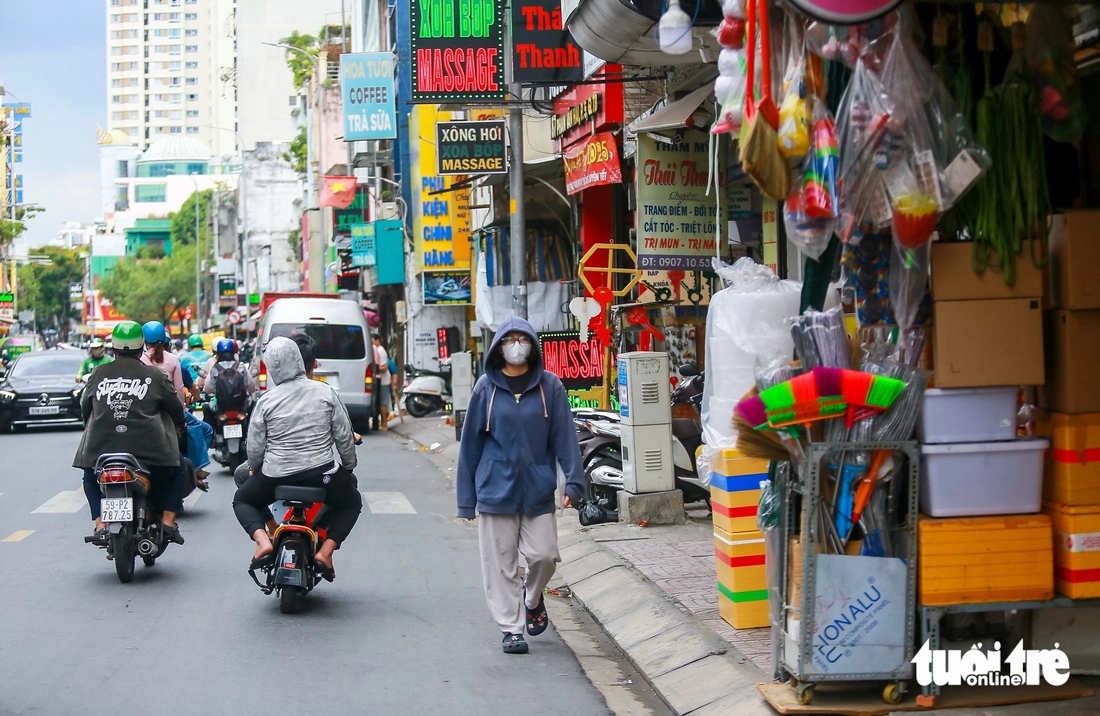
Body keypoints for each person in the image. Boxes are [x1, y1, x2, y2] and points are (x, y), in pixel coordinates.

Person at [456, 316, 585, 655]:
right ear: (499, 346)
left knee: (545, 555)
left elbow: (565, 438)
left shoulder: (550, 386)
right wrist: (466, 500)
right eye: (509, 339)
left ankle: (532, 597)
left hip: (538, 488)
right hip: (494, 489)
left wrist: (573, 481)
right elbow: (470, 444)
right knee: (500, 563)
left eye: (522, 338)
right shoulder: (486, 386)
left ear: (532, 344)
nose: (516, 344)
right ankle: (511, 629)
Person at [232, 337, 362, 578]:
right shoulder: (325, 392)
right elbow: (344, 436)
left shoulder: (266, 400)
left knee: (242, 500)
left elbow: (255, 446)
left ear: (271, 367)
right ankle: (326, 551)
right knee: (351, 502)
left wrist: (254, 469)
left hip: (275, 477)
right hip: (322, 474)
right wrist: (348, 467)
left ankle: (263, 540)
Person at [74, 321, 188, 547]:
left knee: (90, 476)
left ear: (113, 348)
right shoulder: (155, 375)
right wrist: (180, 424)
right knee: (181, 468)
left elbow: (86, 409)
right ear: (141, 347)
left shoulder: (98, 373)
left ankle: (99, 524)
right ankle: (167, 522)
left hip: (100, 451)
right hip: (150, 453)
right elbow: (176, 410)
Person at [140, 321, 188, 407]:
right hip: (169, 407)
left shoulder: (140, 359)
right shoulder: (174, 359)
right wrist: (181, 408)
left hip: (147, 409)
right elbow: (179, 388)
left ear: (145, 340)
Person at [371, 334, 392, 430]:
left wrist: (374, 369)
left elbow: (384, 366)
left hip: (383, 381)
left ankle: (384, 424)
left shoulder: (380, 351)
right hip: (380, 380)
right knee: (380, 402)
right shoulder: (377, 350)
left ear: (377, 340)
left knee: (383, 402)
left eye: (372, 341)